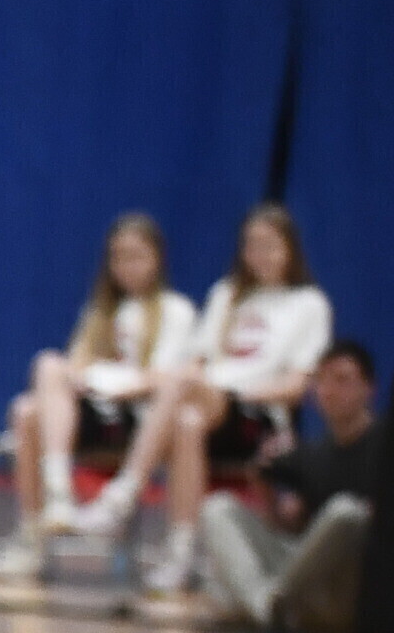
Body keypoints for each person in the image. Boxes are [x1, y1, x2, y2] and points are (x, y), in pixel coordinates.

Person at [76, 203, 330, 593]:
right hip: (208, 408)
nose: (259, 255)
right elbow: (198, 362)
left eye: (269, 245)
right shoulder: (226, 295)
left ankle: (124, 493)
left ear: (290, 249)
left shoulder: (309, 304)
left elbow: (296, 386)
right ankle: (180, 555)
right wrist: (202, 386)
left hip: (258, 415)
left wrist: (232, 392)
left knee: (182, 383)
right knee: (187, 421)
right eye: (252, 245)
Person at [0, 211, 195, 581]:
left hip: (139, 420)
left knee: (185, 419)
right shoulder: (100, 311)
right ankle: (48, 511)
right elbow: (75, 364)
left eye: (136, 256)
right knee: (31, 399)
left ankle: (131, 506)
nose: (127, 266)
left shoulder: (176, 310)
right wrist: (81, 377)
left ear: (157, 259)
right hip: (92, 413)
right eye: (119, 257)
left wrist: (119, 386)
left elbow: (166, 378)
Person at [197, 337, 382, 633]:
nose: (330, 391)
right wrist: (262, 483)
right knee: (217, 507)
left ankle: (265, 603)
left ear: (369, 388)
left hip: (348, 588)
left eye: (342, 380)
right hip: (301, 587)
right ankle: (265, 606)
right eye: (322, 381)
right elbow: (289, 528)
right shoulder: (312, 454)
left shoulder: (388, 446)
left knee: (347, 512)